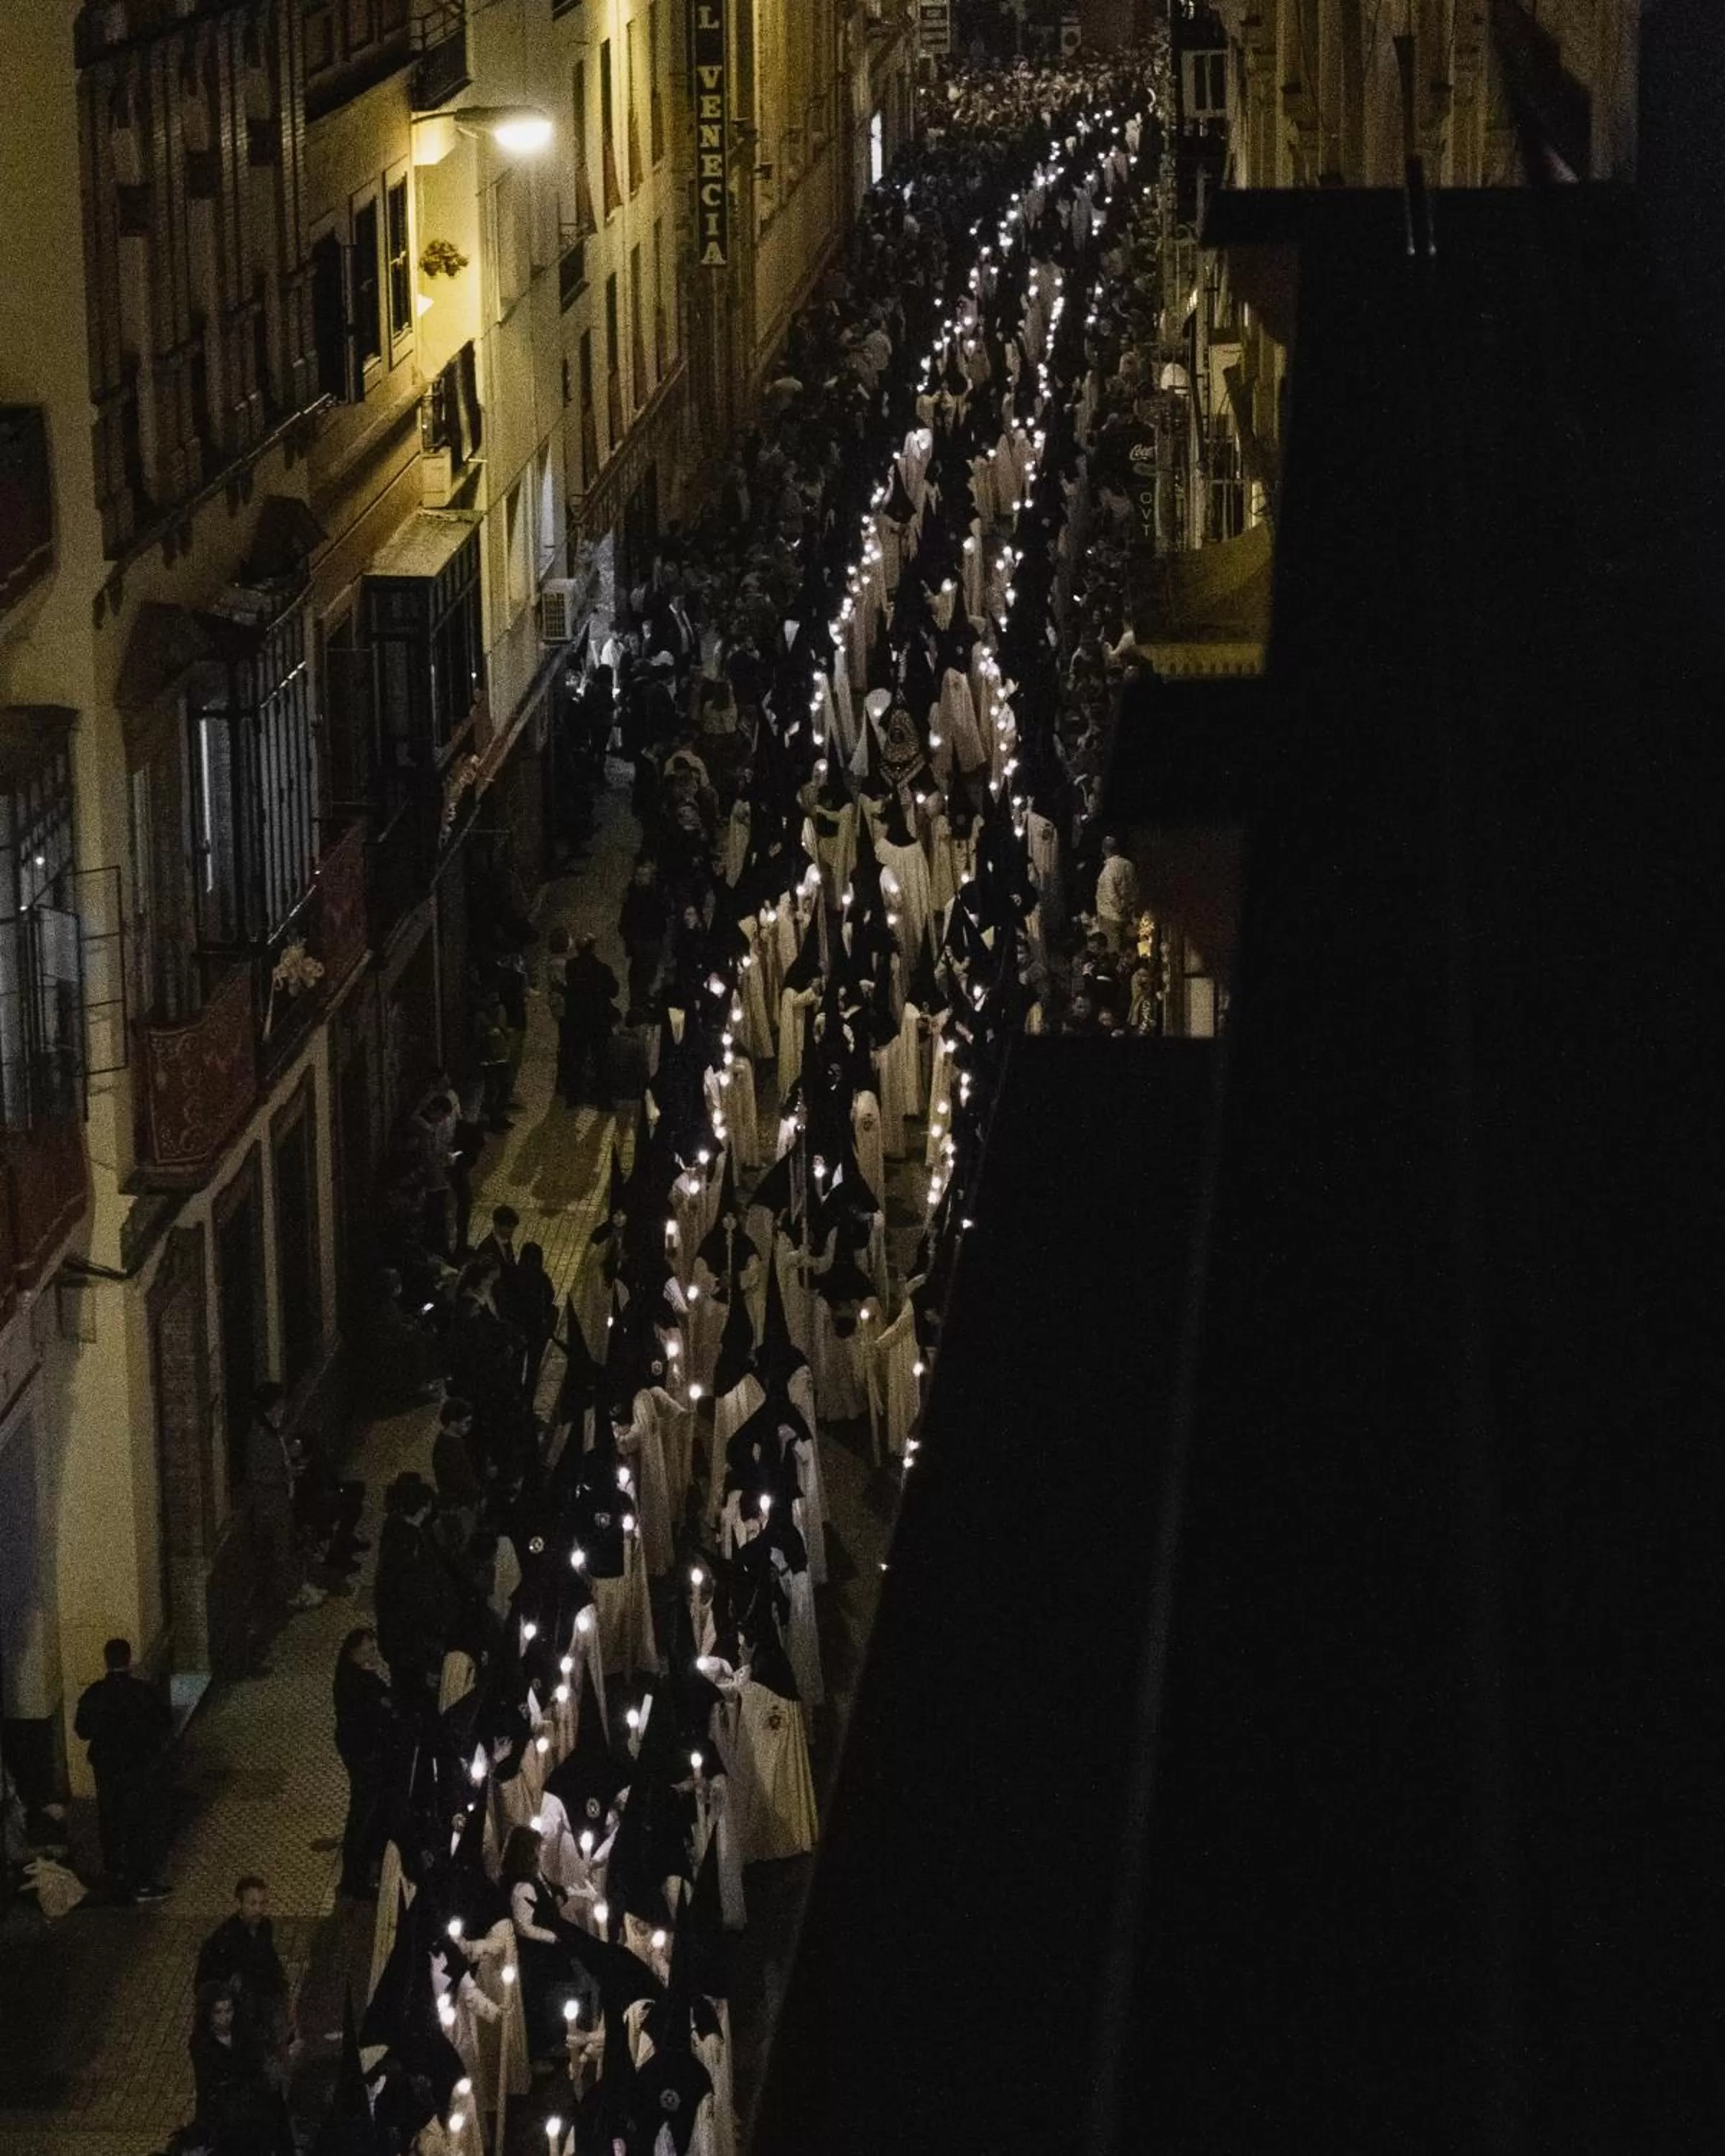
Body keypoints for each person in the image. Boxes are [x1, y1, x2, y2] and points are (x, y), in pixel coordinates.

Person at [73, 1637, 171, 1904]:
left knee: (110, 1820)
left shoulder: (95, 1694)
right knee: (139, 1821)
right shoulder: (143, 1692)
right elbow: (163, 1724)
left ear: (106, 1660)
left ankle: (116, 1876)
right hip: (137, 1766)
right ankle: (142, 1881)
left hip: (106, 1769)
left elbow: (82, 1730)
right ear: (129, 1659)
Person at [194, 1876, 293, 2074]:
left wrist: (284, 1996)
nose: (259, 1909)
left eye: (263, 1903)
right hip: (241, 2010)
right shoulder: (225, 1940)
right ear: (240, 1904)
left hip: (261, 2003)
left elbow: (271, 1963)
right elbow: (207, 1982)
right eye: (253, 1903)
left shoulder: (264, 1927)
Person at [245, 1382, 323, 1619]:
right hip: (271, 1505)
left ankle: (295, 1586)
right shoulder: (260, 1436)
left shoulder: (271, 1431)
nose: (284, 1409)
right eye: (280, 1405)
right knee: (280, 1550)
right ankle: (288, 1595)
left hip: (279, 1501)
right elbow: (259, 1473)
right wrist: (286, 1474)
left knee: (286, 1546)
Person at [188, 1981, 292, 2155]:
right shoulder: (201, 2043)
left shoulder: (244, 2033)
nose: (225, 2017)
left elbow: (257, 2067)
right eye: (218, 2012)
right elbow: (205, 2083)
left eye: (228, 2011)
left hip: (255, 2108)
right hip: (228, 2116)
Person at [332, 1629, 397, 1900]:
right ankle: (355, 1879)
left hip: (359, 1751)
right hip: (364, 1754)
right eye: (368, 1649)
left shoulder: (353, 1677)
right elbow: (379, 1710)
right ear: (354, 1652)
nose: (373, 1654)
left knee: (366, 1810)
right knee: (362, 1812)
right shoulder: (358, 1683)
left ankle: (364, 1866)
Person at [559, 934, 620, 1106]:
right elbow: (613, 991)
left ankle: (573, 1097)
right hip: (598, 1019)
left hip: (577, 1019)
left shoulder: (571, 966)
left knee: (577, 1058)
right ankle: (603, 1100)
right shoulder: (603, 969)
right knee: (601, 1060)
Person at [618, 857, 668, 1020]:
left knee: (647, 974)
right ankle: (638, 1005)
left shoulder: (653, 892)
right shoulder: (634, 895)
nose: (641, 878)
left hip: (651, 939)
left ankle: (643, 1000)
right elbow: (625, 921)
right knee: (639, 974)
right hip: (642, 941)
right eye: (639, 875)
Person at [1093, 831, 1139, 952]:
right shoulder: (1129, 865)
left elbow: (1111, 894)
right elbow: (1134, 888)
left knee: (1114, 950)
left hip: (1111, 916)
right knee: (1126, 949)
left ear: (1104, 850)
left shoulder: (1109, 870)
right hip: (1126, 914)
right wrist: (1130, 907)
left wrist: (1119, 908)